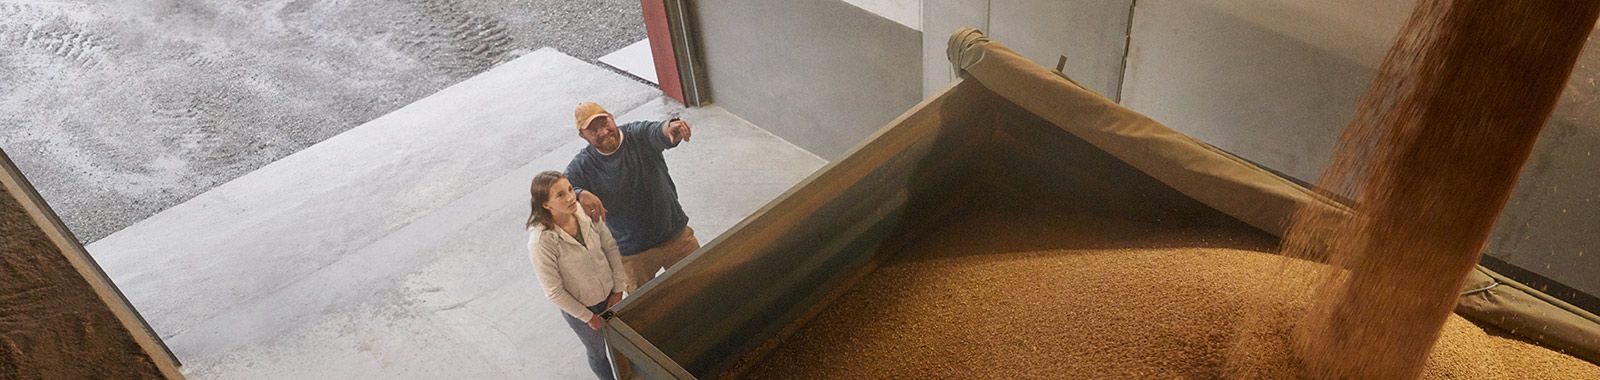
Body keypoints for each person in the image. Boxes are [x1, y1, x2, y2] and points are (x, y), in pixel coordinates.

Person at [565, 102, 699, 293]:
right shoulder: (583, 165)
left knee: (704, 282)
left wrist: (671, 127)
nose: (603, 132)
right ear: (582, 136)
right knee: (645, 306)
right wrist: (579, 193)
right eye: (593, 130)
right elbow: (562, 188)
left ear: (612, 117)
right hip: (633, 254)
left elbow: (657, 131)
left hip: (675, 236)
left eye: (604, 123)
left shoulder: (637, 135)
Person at [526, 171, 625, 380]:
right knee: (598, 353)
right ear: (546, 204)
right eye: (560, 195)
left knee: (624, 344)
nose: (571, 198)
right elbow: (554, 292)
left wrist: (618, 290)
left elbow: (610, 248)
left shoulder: (584, 212)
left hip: (611, 297)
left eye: (570, 189)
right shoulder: (542, 242)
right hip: (583, 310)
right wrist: (588, 317)